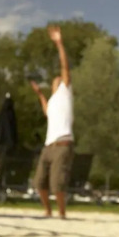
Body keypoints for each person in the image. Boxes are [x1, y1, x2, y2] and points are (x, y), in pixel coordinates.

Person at [29, 24, 74, 218]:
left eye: (58, 78)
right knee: (39, 182)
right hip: (48, 146)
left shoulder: (65, 92)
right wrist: (40, 94)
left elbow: (64, 66)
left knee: (57, 184)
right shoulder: (54, 100)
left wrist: (59, 43)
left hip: (62, 144)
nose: (56, 79)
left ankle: (62, 214)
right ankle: (48, 212)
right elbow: (47, 111)